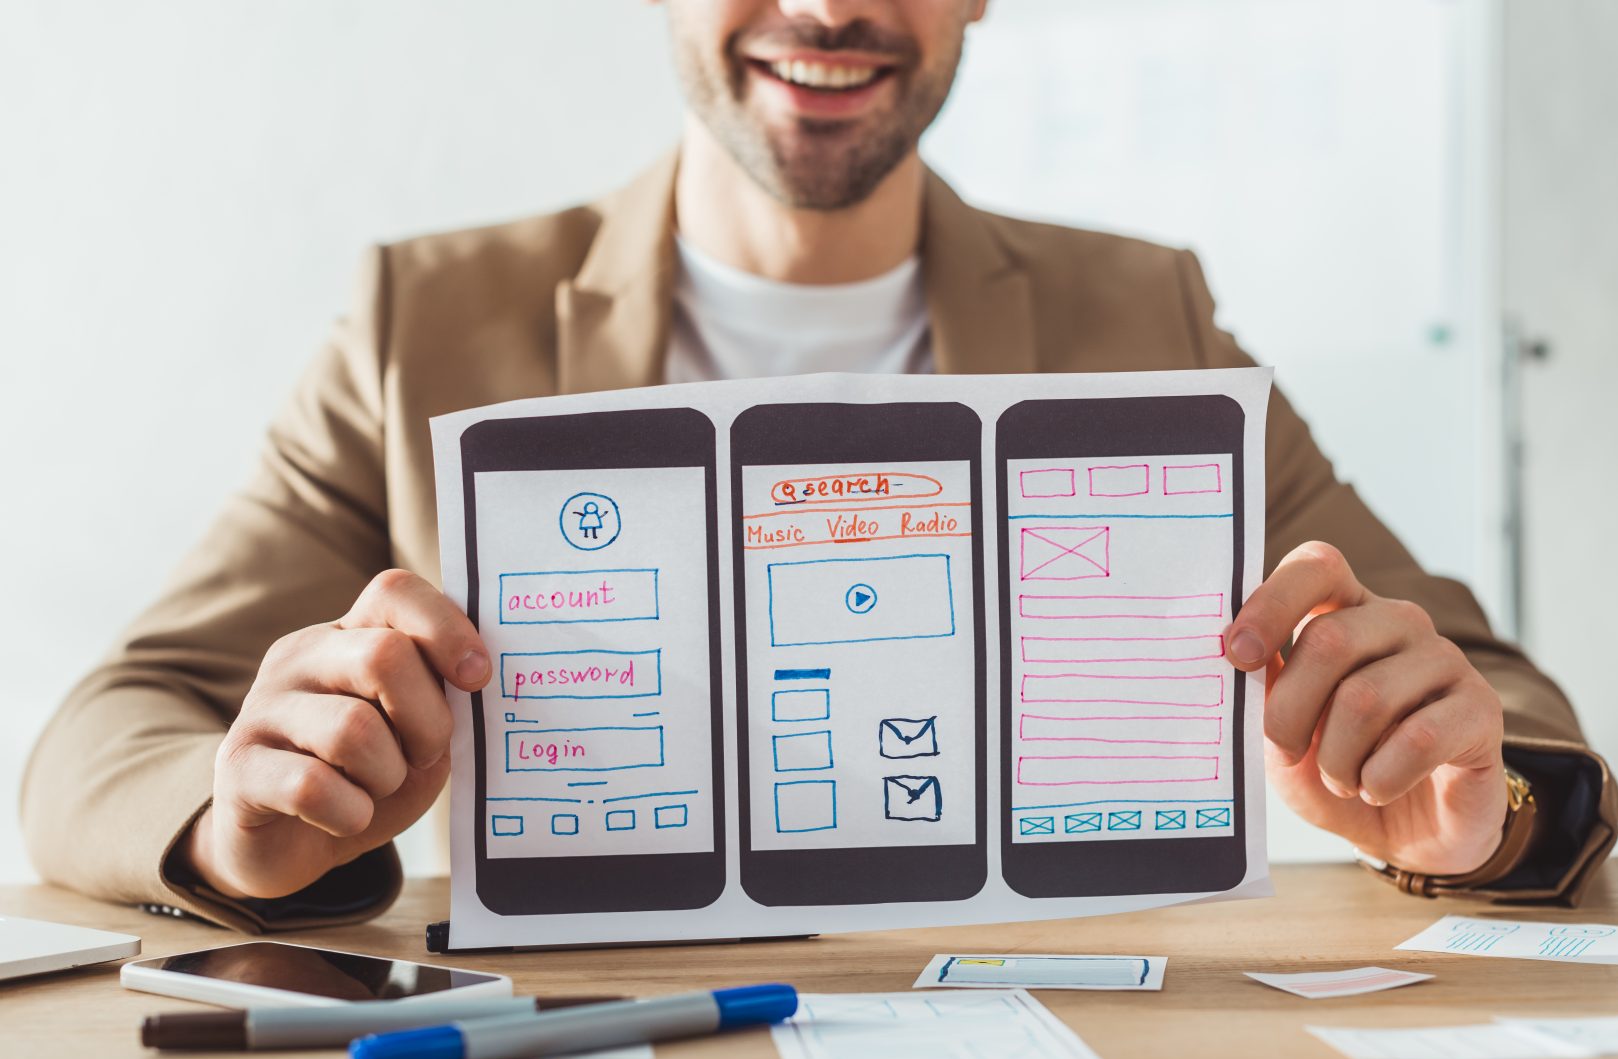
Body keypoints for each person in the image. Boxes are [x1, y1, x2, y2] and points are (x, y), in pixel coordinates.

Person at [22, 0, 1613, 931]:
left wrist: (1474, 816)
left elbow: (1494, 700)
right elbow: (113, 728)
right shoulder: (423, 320)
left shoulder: (1147, 313)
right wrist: (247, 827)